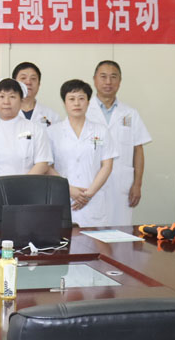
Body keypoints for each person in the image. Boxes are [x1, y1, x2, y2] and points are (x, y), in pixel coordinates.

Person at [86, 60, 151, 226]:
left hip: (121, 186)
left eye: (113, 77)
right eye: (103, 76)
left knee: (121, 235)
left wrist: (137, 184)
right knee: (89, 235)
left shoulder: (130, 113)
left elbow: (138, 150)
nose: (108, 82)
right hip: (90, 184)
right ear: (94, 79)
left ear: (120, 81)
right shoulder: (83, 111)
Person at [49, 80, 117, 227]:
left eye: (81, 98)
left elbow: (107, 165)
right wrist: (68, 189)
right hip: (63, 197)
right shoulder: (52, 132)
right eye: (71, 99)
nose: (77, 103)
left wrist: (89, 194)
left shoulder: (101, 130)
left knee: (94, 240)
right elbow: (48, 166)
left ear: (88, 102)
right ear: (64, 103)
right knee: (63, 238)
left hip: (93, 199)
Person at [0, 78, 52, 177]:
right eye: (1, 96)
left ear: (21, 101)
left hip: (27, 184)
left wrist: (21, 184)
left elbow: (42, 163)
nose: (6, 102)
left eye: (12, 97)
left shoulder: (35, 129)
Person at [0, 62, 62, 126]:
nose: (28, 82)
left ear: (39, 84)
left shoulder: (52, 116)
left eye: (33, 79)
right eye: (23, 78)